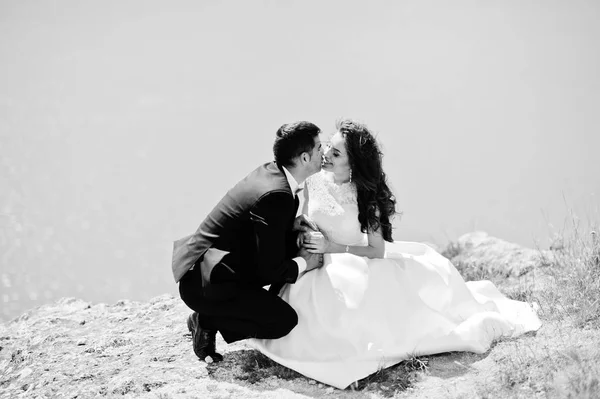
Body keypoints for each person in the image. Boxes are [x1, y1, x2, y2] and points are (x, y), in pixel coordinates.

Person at [251, 119, 542, 389]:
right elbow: (307, 217)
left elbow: (376, 249)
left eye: (336, 154)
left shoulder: (366, 197)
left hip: (354, 262)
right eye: (328, 146)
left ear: (353, 164)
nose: (326, 154)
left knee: (352, 319)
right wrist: (305, 230)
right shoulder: (314, 181)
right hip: (315, 260)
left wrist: (332, 248)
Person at [173, 121, 325, 362]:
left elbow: (261, 228)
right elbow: (271, 268)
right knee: (282, 321)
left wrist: (290, 224)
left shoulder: (274, 173)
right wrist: (305, 263)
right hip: (205, 283)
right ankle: (206, 319)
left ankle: (212, 314)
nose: (324, 152)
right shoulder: (277, 194)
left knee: (290, 248)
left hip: (218, 264)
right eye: (319, 148)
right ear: (305, 158)